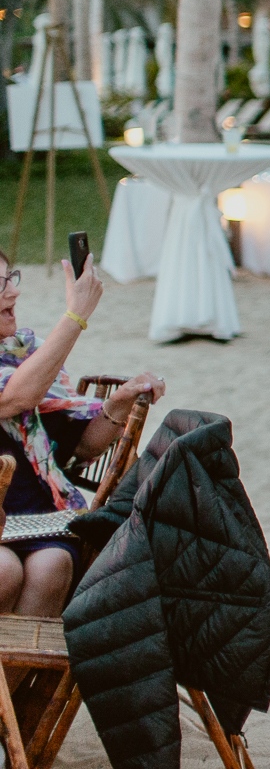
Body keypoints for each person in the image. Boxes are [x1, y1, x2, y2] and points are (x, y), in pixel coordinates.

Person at [0, 253, 164, 616]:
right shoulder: (30, 373)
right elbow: (15, 397)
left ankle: (21, 674)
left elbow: (84, 446)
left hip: (43, 514)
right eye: (0, 285)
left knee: (52, 566)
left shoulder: (28, 352)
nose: (13, 292)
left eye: (11, 277)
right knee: (4, 571)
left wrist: (120, 402)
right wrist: (75, 316)